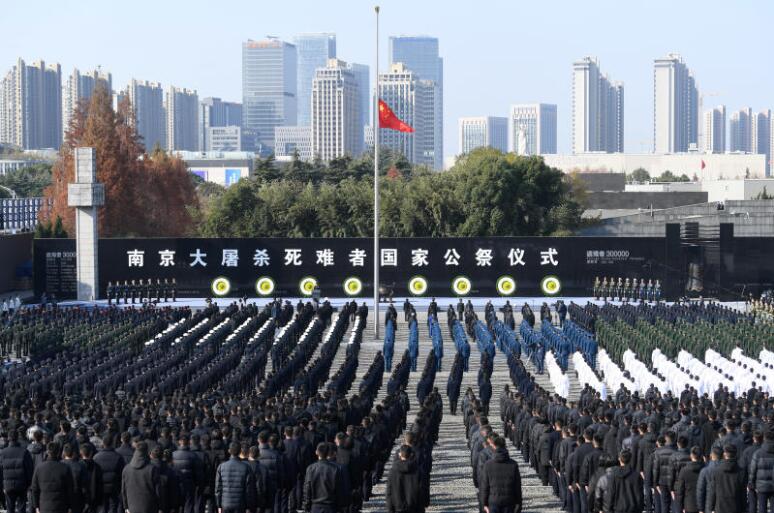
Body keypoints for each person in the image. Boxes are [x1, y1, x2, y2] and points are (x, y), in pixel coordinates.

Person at [479, 437, 522, 513]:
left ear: (494, 446)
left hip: (493, 501)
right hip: (509, 502)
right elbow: (517, 486)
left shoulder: (488, 465)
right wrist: (519, 503)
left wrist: (484, 504)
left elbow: (485, 487)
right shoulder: (513, 464)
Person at [303, 443, 346, 513]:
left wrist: (306, 506)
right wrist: (340, 507)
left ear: (316, 452)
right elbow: (339, 489)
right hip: (331, 506)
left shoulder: (310, 468)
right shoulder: (335, 469)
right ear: (328, 453)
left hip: (315, 506)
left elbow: (307, 489)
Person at [31, 442, 74, 513]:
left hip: (44, 506)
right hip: (61, 506)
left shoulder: (39, 468)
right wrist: (70, 506)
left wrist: (36, 506)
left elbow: (34, 489)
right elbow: (70, 490)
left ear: (47, 452)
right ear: (58, 452)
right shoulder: (65, 468)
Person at [121, 442, 162, 513]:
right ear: (147, 451)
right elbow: (158, 491)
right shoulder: (152, 469)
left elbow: (124, 490)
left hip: (132, 507)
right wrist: (160, 507)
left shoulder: (126, 469)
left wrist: (126, 506)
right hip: (150, 507)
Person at [0, 429, 34, 513]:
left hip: (8, 484)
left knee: (10, 508)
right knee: (21, 508)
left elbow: (0, 470)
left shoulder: (2, 453)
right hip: (22, 484)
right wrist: (29, 483)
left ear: (8, 438)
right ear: (17, 438)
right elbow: (29, 469)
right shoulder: (24, 452)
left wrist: (2, 485)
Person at [706, 445, 746, 513]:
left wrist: (710, 508)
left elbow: (712, 491)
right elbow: (743, 493)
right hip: (736, 507)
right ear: (736, 454)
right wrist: (744, 508)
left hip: (720, 507)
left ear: (724, 454)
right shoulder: (741, 472)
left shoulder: (716, 471)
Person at [215, 443, 252, 513]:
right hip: (240, 503)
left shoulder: (221, 467)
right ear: (240, 451)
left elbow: (218, 489)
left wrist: (219, 505)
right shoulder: (246, 467)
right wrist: (248, 506)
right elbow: (248, 490)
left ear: (229, 451)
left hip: (225, 503)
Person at [386, 445, 421, 513]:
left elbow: (389, 492)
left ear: (400, 454)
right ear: (411, 455)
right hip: (413, 506)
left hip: (397, 506)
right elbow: (421, 491)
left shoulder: (393, 471)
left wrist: (390, 508)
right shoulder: (417, 470)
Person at [93, 434, 124, 513]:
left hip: (101, 486)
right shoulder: (118, 457)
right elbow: (121, 473)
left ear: (103, 443)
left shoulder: (96, 457)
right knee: (113, 506)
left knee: (102, 507)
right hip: (114, 486)